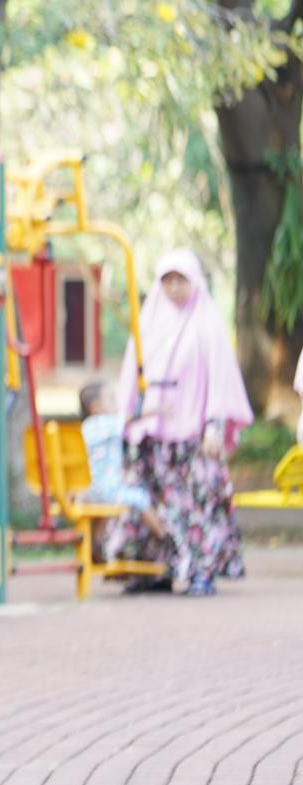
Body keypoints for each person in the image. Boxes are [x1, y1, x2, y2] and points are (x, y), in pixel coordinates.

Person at [104, 250, 251, 596]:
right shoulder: (149, 321)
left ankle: (201, 570)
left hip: (194, 435)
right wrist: (124, 422)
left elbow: (221, 377)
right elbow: (130, 375)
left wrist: (214, 425)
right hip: (151, 434)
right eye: (166, 280)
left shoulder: (206, 324)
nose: (173, 287)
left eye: (180, 280)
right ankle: (151, 569)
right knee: (147, 499)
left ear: (194, 281)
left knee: (198, 501)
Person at [77, 379, 162, 545]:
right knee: (141, 497)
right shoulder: (102, 423)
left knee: (103, 514)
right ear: (95, 407)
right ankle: (162, 535)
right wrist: (155, 410)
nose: (116, 405)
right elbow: (131, 419)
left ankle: (92, 544)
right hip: (106, 490)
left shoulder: (86, 427)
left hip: (87, 491)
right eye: (111, 400)